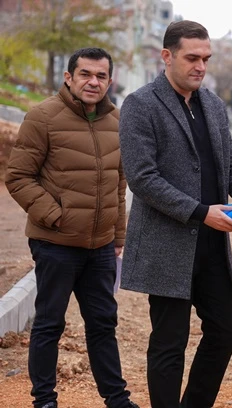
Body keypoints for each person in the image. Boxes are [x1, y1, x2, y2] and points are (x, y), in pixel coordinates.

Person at [118, 20, 232, 408]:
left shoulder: (213, 104)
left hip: (212, 246)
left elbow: (231, 163)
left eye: (206, 59)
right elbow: (142, 178)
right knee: (170, 343)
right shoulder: (140, 104)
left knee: (225, 331)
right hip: (167, 245)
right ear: (166, 56)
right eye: (192, 58)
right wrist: (201, 212)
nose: (200, 66)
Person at [5, 48, 138, 408]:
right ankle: (44, 400)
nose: (93, 82)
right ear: (69, 77)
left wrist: (118, 236)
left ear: (110, 81)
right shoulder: (43, 117)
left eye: (101, 76)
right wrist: (55, 215)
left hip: (101, 247)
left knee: (103, 324)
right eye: (85, 74)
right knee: (50, 324)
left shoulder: (116, 121)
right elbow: (18, 177)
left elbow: (119, 183)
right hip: (56, 243)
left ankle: (117, 399)